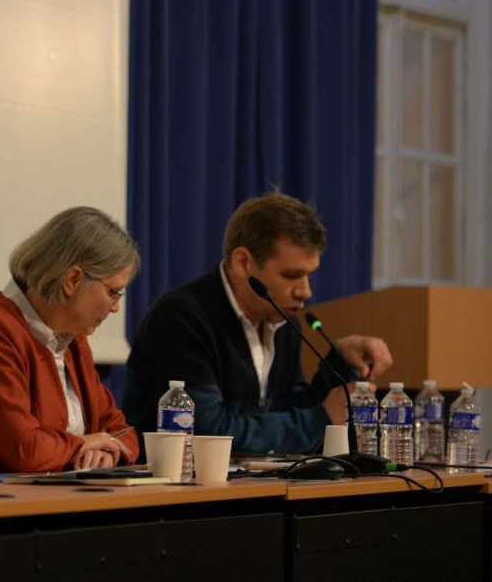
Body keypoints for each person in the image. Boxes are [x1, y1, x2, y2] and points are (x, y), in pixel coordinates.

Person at [123, 192, 393, 455]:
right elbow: (206, 432)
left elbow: (287, 410)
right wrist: (319, 419)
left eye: (309, 276)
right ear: (243, 263)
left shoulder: (283, 320)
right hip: (178, 492)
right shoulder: (182, 317)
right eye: (291, 275)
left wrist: (339, 362)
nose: (305, 292)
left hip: (252, 489)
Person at [0, 206, 140, 474]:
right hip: (4, 509)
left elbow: (122, 431)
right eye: (113, 293)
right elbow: (24, 449)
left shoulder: (73, 339)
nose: (115, 307)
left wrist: (105, 451)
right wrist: (82, 445)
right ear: (72, 280)